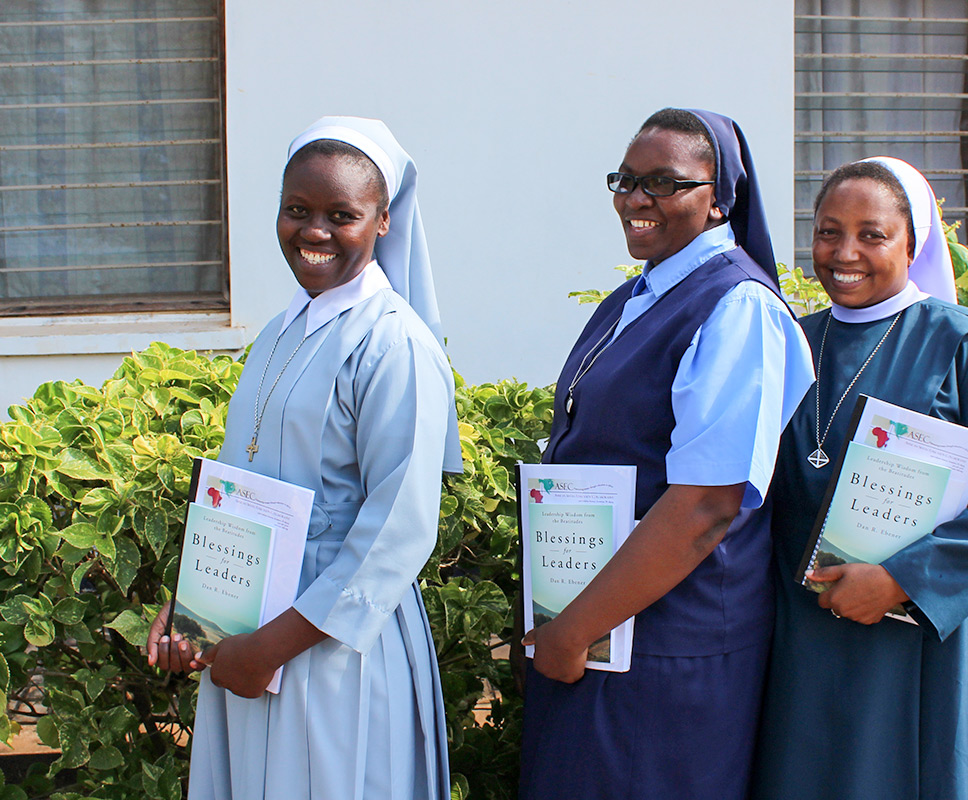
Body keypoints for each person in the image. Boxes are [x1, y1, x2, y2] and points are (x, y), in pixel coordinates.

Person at [146, 116, 460, 800]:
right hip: (247, 630)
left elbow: (397, 533)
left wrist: (270, 647)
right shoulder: (280, 332)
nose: (314, 231)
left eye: (341, 215)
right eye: (297, 210)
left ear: (382, 221)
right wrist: (191, 611)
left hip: (332, 646)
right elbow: (241, 489)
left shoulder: (394, 345)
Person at [519, 108, 813, 800]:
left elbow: (707, 505)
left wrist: (574, 629)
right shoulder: (639, 294)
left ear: (719, 200)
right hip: (595, 627)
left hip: (666, 644)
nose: (636, 199)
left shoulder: (738, 307)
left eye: (663, 182)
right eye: (625, 180)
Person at [753, 157, 968, 799]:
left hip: (933, 632)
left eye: (873, 235)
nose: (845, 253)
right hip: (811, 631)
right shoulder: (791, 342)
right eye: (829, 232)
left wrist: (901, 581)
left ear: (912, 245)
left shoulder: (965, 343)